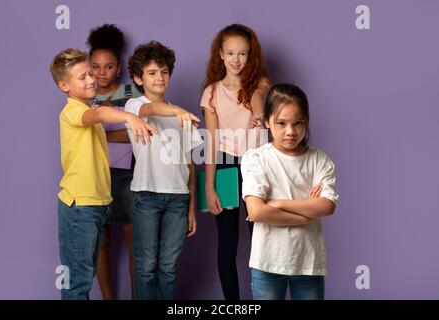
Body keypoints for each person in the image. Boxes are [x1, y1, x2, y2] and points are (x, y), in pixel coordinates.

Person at [49, 48, 157, 299]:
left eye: (90, 74)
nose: (91, 79)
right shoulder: (74, 111)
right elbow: (98, 114)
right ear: (64, 85)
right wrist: (129, 117)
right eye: (82, 77)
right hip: (80, 206)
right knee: (78, 282)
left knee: (83, 277)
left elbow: (100, 112)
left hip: (96, 203)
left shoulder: (88, 106)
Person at [241, 83, 339, 300]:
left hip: (308, 263)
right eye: (281, 123)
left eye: (298, 123)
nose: (290, 131)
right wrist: (306, 214)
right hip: (267, 261)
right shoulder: (256, 159)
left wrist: (276, 204)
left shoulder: (319, 160)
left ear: (306, 122)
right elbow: (256, 212)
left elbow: (327, 206)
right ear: (267, 121)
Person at [125, 41, 202, 299]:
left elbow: (190, 165)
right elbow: (152, 108)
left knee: (168, 267)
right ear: (138, 78)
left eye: (164, 71)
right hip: (146, 196)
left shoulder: (183, 118)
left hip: (178, 200)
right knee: (146, 267)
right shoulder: (135, 108)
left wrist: (191, 208)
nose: (160, 77)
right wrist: (176, 110)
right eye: (152, 72)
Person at [200, 23, 270, 300]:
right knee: (227, 244)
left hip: (256, 164)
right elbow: (211, 141)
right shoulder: (212, 92)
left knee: (262, 240)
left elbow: (258, 98)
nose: (236, 60)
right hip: (225, 166)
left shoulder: (259, 83)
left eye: (242, 53)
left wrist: (258, 114)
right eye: (230, 53)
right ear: (220, 54)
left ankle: (263, 297)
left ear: (250, 55)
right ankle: (233, 303)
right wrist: (209, 186)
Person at [87, 23, 141, 300]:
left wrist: (103, 129)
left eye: (107, 67)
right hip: (95, 175)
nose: (101, 72)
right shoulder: (85, 96)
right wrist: (115, 128)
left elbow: (137, 133)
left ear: (118, 68)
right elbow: (82, 134)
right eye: (95, 66)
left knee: (136, 245)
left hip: (129, 176)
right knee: (101, 243)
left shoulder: (132, 93)